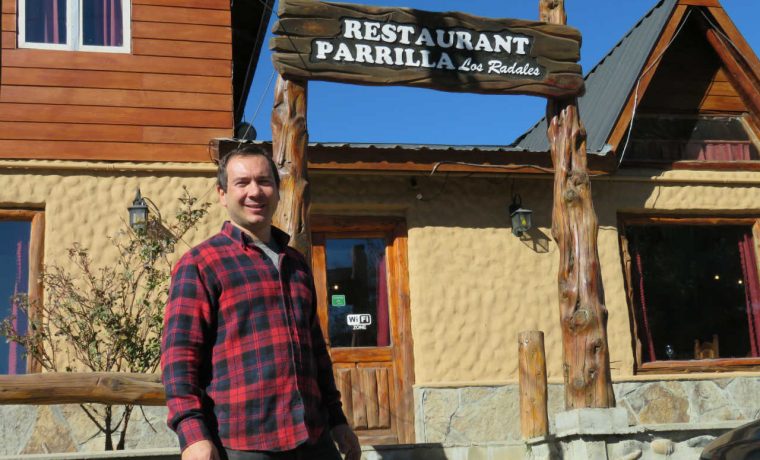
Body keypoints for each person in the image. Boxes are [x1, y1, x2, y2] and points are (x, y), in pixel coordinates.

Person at [161, 145, 361, 460]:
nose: (255, 191)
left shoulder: (295, 263)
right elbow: (179, 360)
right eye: (242, 183)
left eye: (264, 181)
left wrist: (337, 420)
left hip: (314, 440)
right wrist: (193, 436)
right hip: (244, 444)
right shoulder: (200, 264)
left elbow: (316, 352)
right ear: (223, 194)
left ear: (278, 191)